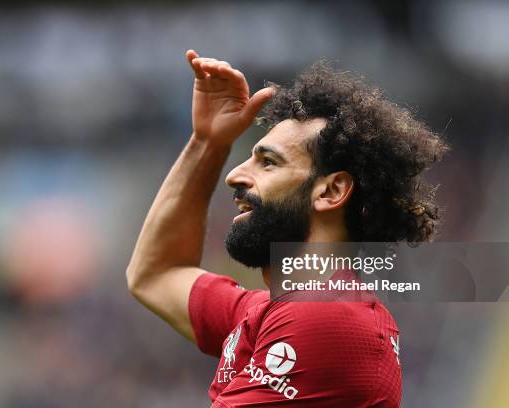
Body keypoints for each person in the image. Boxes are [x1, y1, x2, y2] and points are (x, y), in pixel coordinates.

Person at [126, 50, 447, 407]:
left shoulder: (325, 316)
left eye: (268, 162)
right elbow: (156, 273)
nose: (234, 176)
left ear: (331, 191)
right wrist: (209, 143)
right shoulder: (275, 311)